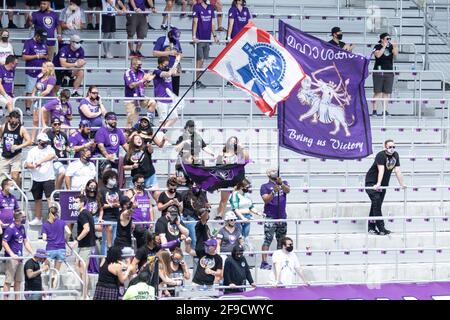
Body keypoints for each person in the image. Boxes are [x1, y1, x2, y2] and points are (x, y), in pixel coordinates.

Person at [365, 139, 405, 235]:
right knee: (377, 202)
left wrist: (402, 184)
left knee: (376, 205)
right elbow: (381, 169)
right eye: (390, 147)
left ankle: (371, 228)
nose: (392, 149)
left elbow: (397, 171)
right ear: (385, 147)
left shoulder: (396, 155)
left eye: (393, 147)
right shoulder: (381, 155)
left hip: (383, 185)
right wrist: (378, 183)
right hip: (371, 183)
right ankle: (381, 228)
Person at [259, 168, 290, 270]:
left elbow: (287, 191)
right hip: (270, 216)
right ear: (268, 174)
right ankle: (264, 262)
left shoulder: (283, 182)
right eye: (272, 170)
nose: (275, 172)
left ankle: (279, 261)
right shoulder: (264, 186)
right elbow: (266, 200)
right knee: (268, 239)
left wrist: (281, 184)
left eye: (275, 170)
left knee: (281, 240)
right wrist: (273, 192)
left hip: (282, 216)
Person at [24, 132, 57, 226]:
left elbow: (51, 156)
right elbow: (28, 164)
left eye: (46, 141)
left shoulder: (50, 149)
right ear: (39, 141)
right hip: (36, 179)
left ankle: (52, 218)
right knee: (37, 199)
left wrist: (39, 162)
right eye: (43, 141)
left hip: (48, 178)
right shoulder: (32, 151)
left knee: (50, 199)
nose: (45, 143)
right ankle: (38, 218)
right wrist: (33, 166)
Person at [2, 211, 34, 300]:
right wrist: (12, 254)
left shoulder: (22, 227)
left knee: (18, 281)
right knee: (8, 281)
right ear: (19, 218)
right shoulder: (11, 228)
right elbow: (4, 242)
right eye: (24, 217)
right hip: (12, 259)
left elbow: (25, 241)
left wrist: (32, 252)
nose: (25, 218)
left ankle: (17, 298)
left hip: (20, 258)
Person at [216, 135, 249, 219]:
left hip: (237, 177)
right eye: (231, 141)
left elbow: (246, 159)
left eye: (235, 141)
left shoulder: (239, 153)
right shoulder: (223, 153)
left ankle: (241, 214)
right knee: (224, 199)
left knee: (238, 197)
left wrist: (241, 147)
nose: (233, 143)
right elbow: (218, 167)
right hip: (226, 178)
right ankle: (219, 215)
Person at [0, 111, 32, 186]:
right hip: (5, 155)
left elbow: (29, 141)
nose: (14, 124)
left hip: (16, 156)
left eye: (16, 122)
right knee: (2, 177)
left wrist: (18, 146)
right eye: (13, 122)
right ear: (9, 119)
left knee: (15, 175)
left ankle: (20, 190)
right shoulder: (4, 126)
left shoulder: (21, 129)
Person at [71, 194, 96, 291]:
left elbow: (86, 229)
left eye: (76, 202)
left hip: (86, 245)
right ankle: (85, 289)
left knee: (82, 267)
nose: (74, 204)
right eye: (74, 202)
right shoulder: (86, 213)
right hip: (85, 244)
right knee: (78, 264)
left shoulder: (83, 214)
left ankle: (85, 293)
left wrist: (76, 240)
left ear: (82, 203)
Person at [192, 0, 219, 89]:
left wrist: (214, 35)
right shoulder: (197, 7)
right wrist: (194, 36)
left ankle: (197, 80)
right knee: (200, 60)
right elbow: (195, 22)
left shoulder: (211, 7)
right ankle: (195, 81)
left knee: (203, 61)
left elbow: (212, 23)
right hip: (199, 38)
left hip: (207, 38)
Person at [41, 206, 71, 287]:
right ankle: (53, 289)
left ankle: (46, 279)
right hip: (61, 249)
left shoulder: (45, 224)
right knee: (56, 271)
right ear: (57, 213)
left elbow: (44, 238)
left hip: (50, 248)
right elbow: (69, 232)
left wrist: (49, 238)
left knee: (46, 265)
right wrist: (65, 239)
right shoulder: (62, 222)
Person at [124, 57, 156, 127]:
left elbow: (144, 85)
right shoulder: (128, 73)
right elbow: (131, 85)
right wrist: (142, 80)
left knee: (152, 102)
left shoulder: (141, 72)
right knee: (131, 121)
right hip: (131, 99)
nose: (140, 66)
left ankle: (149, 121)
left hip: (140, 96)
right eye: (139, 65)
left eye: (141, 64)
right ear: (133, 65)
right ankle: (128, 135)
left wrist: (148, 81)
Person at [22, 29, 48, 116]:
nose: (43, 40)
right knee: (29, 90)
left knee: (40, 91)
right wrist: (37, 56)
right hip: (31, 71)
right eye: (41, 37)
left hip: (42, 72)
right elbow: (24, 57)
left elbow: (47, 55)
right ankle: (28, 109)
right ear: (37, 35)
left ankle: (37, 109)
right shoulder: (28, 43)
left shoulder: (44, 43)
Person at [371, 32, 398, 116]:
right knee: (377, 92)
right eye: (387, 38)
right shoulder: (377, 46)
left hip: (389, 71)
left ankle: (384, 111)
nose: (388, 40)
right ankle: (374, 111)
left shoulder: (390, 46)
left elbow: (396, 54)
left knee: (386, 93)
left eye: (389, 39)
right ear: (382, 39)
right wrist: (384, 46)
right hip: (378, 71)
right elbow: (378, 55)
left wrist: (394, 46)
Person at [30, 61, 56, 142]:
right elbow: (35, 87)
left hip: (46, 101)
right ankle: (32, 140)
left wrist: (37, 97)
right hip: (38, 101)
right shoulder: (40, 77)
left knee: (44, 121)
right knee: (35, 120)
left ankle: (44, 139)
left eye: (44, 67)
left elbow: (47, 91)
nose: (42, 68)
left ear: (48, 68)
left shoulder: (52, 78)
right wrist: (33, 94)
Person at [153, 55, 182, 127]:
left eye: (167, 65)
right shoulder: (156, 71)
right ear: (160, 64)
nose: (166, 66)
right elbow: (168, 74)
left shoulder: (168, 69)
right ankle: (160, 134)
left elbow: (178, 73)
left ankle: (162, 132)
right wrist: (176, 62)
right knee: (163, 121)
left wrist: (178, 63)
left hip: (170, 99)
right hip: (161, 99)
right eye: (165, 65)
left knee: (174, 118)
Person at [125, 174, 153, 249]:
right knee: (146, 238)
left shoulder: (146, 193)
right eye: (140, 182)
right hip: (136, 224)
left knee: (143, 245)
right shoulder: (130, 192)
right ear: (135, 183)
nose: (142, 184)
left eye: (143, 182)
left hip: (146, 223)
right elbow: (126, 207)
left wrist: (151, 221)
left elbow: (150, 208)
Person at [153, 27, 183, 95]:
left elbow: (181, 53)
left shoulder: (177, 41)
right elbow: (155, 53)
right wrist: (169, 52)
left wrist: (178, 55)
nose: (175, 40)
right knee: (164, 90)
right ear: (170, 35)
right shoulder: (162, 39)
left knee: (175, 91)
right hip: (164, 68)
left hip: (175, 68)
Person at [98, 170, 122, 253]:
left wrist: (118, 204)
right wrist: (111, 205)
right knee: (105, 241)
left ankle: (114, 258)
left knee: (115, 240)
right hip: (106, 218)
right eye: (112, 178)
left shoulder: (117, 190)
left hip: (116, 218)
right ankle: (104, 259)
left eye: (115, 178)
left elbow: (122, 203)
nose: (114, 180)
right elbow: (100, 205)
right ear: (107, 179)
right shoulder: (102, 190)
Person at [181, 183, 210, 249]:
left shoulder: (202, 193)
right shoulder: (185, 193)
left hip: (199, 218)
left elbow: (205, 206)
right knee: (194, 233)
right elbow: (182, 209)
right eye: (194, 184)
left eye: (197, 184)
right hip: (188, 217)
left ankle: (197, 254)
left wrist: (206, 208)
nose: (196, 186)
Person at [46, 117, 69, 189]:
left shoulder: (63, 134)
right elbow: (48, 148)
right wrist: (52, 156)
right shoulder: (49, 134)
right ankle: (56, 191)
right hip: (55, 160)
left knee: (64, 176)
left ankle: (61, 193)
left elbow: (67, 147)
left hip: (64, 159)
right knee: (62, 172)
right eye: (55, 124)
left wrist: (71, 150)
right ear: (51, 125)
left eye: (59, 124)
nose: (57, 126)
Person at [0, 178, 20, 243]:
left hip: (10, 226)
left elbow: (17, 210)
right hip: (1, 226)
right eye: (11, 185)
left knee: (10, 244)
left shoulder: (13, 197)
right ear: (5, 186)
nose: (13, 187)